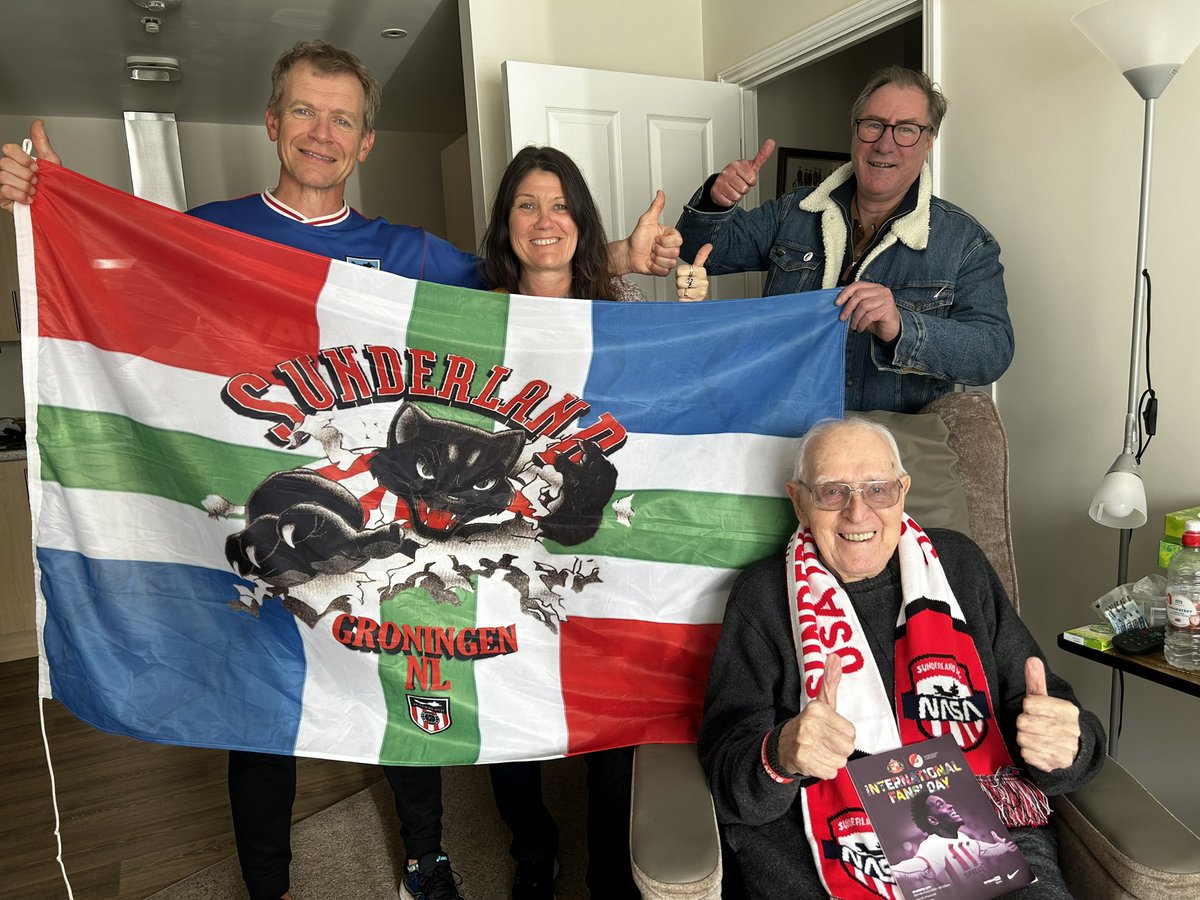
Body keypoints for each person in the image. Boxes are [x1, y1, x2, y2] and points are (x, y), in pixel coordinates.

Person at [0, 41, 684, 900]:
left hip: (378, 513)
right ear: (272, 121)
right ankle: (268, 885)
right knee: (254, 710)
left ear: (366, 142)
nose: (320, 133)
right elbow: (105, 289)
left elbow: (523, 292)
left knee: (396, 679)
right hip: (248, 510)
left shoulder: (414, 257)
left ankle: (425, 860)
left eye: (342, 119)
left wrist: (619, 257)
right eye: (303, 112)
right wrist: (50, 208)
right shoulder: (206, 233)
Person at [697, 417, 1105, 899]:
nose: (857, 512)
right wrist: (781, 753)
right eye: (833, 492)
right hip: (826, 848)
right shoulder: (763, 596)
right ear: (799, 501)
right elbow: (726, 771)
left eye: (877, 489)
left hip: (985, 832)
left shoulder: (959, 564)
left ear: (903, 491)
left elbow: (1047, 708)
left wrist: (1068, 746)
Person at [479, 144, 640, 900]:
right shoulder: (468, 315)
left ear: (582, 219)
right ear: (504, 222)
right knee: (505, 689)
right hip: (501, 538)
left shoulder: (625, 318)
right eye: (526, 205)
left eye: (560, 205)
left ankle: (609, 864)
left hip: (604, 537)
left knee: (617, 702)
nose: (545, 221)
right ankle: (532, 847)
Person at [675, 66, 1014, 413]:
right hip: (780, 430)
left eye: (907, 130)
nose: (885, 144)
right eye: (874, 125)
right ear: (854, 132)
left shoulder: (966, 242)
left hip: (886, 449)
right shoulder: (796, 210)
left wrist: (901, 326)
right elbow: (702, 254)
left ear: (928, 141)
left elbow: (992, 351)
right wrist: (717, 201)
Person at [891, 791, 1023, 893]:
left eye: (945, 802)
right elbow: (912, 868)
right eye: (940, 805)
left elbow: (984, 849)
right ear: (933, 820)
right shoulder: (931, 846)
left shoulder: (962, 837)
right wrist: (887, 870)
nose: (950, 806)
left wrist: (1002, 847)